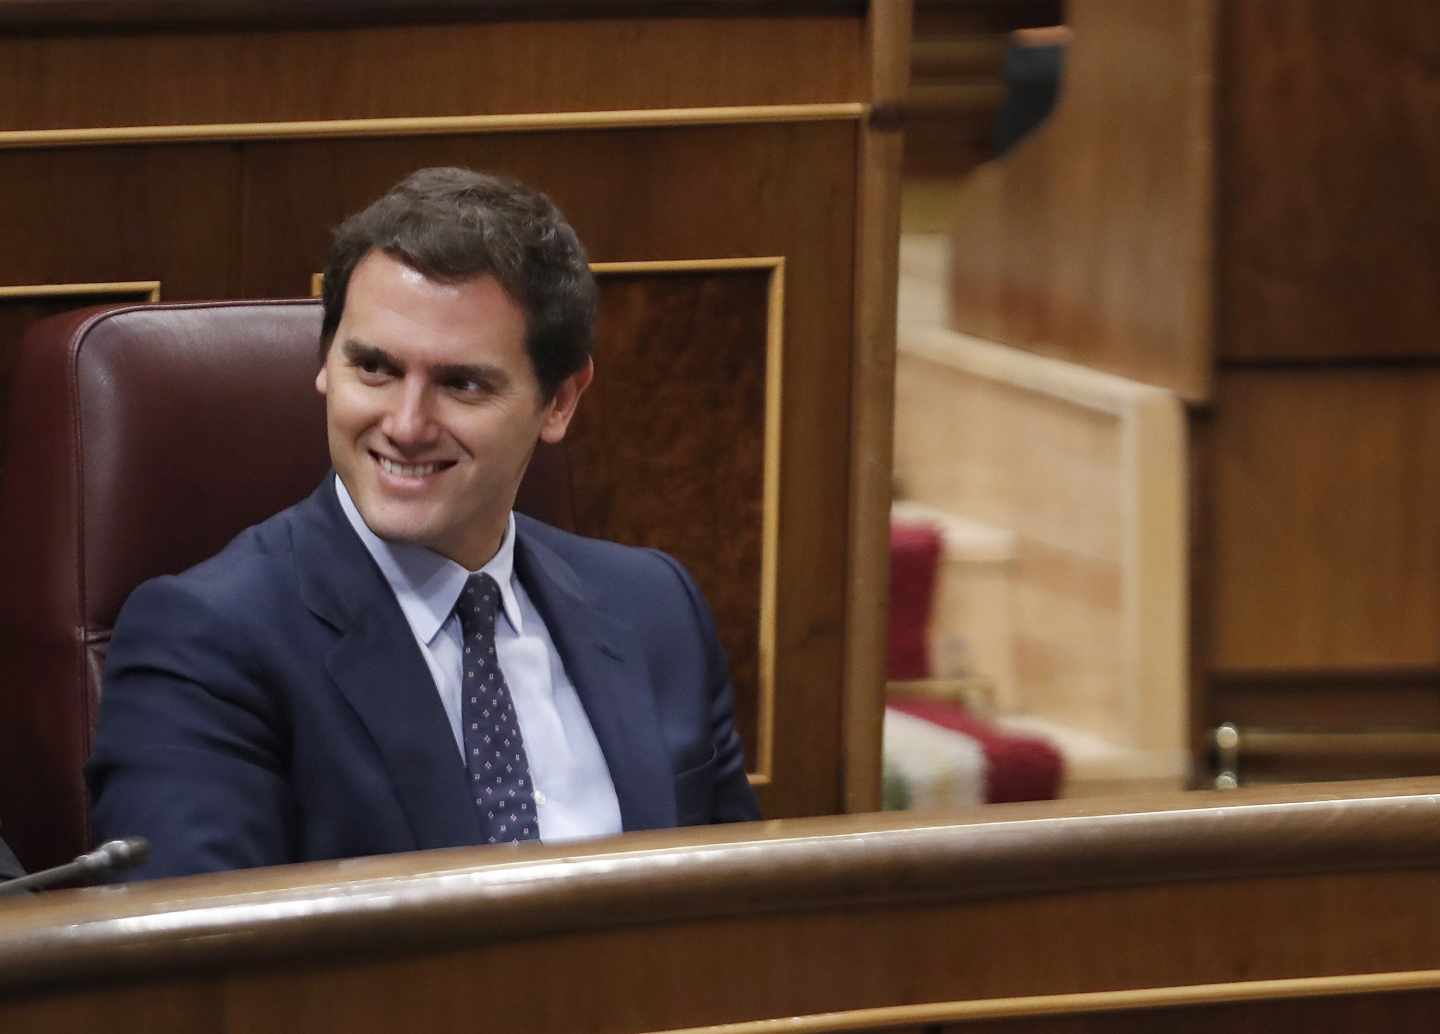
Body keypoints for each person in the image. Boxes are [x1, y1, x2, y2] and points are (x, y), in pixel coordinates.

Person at [87, 167, 760, 881]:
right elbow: (199, 975)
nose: (406, 426)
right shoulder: (206, 644)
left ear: (560, 401)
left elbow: (742, 917)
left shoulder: (655, 608)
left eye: (461, 383)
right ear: (325, 364)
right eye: (374, 368)